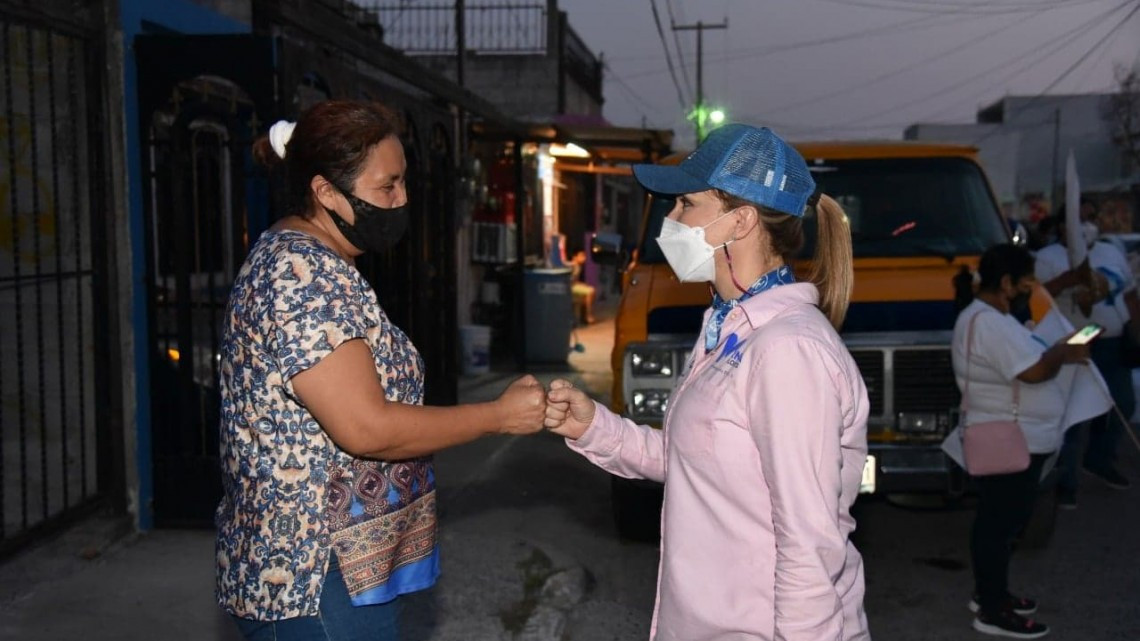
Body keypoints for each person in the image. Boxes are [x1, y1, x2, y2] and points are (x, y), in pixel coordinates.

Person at [215, 100, 547, 640]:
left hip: (342, 571)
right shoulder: (301, 277)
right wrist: (497, 416)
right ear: (325, 192)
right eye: (387, 186)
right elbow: (365, 428)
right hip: (313, 577)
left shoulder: (325, 264)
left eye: (404, 182)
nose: (403, 199)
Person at [543, 124, 870, 640]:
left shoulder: (787, 352)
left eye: (687, 204)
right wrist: (595, 428)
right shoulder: (729, 327)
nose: (669, 220)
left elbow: (810, 541)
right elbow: (696, 461)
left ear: (739, 221)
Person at [952, 243, 1089, 639]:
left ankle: (992, 594)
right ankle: (992, 611)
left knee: (999, 522)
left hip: (1016, 437)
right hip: (1011, 440)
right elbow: (1032, 373)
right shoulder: (989, 322)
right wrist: (1064, 351)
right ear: (1007, 282)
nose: (1032, 289)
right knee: (1000, 525)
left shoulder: (992, 317)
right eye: (1027, 282)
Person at [1034, 203, 1138, 508]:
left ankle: (1099, 459)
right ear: (1061, 225)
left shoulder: (1111, 253)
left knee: (1122, 402)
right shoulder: (1048, 257)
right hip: (1078, 338)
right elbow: (1034, 299)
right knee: (1075, 414)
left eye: (1090, 218)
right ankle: (1066, 482)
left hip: (1114, 341)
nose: (1085, 225)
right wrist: (1066, 280)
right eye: (1077, 220)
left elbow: (1129, 294)